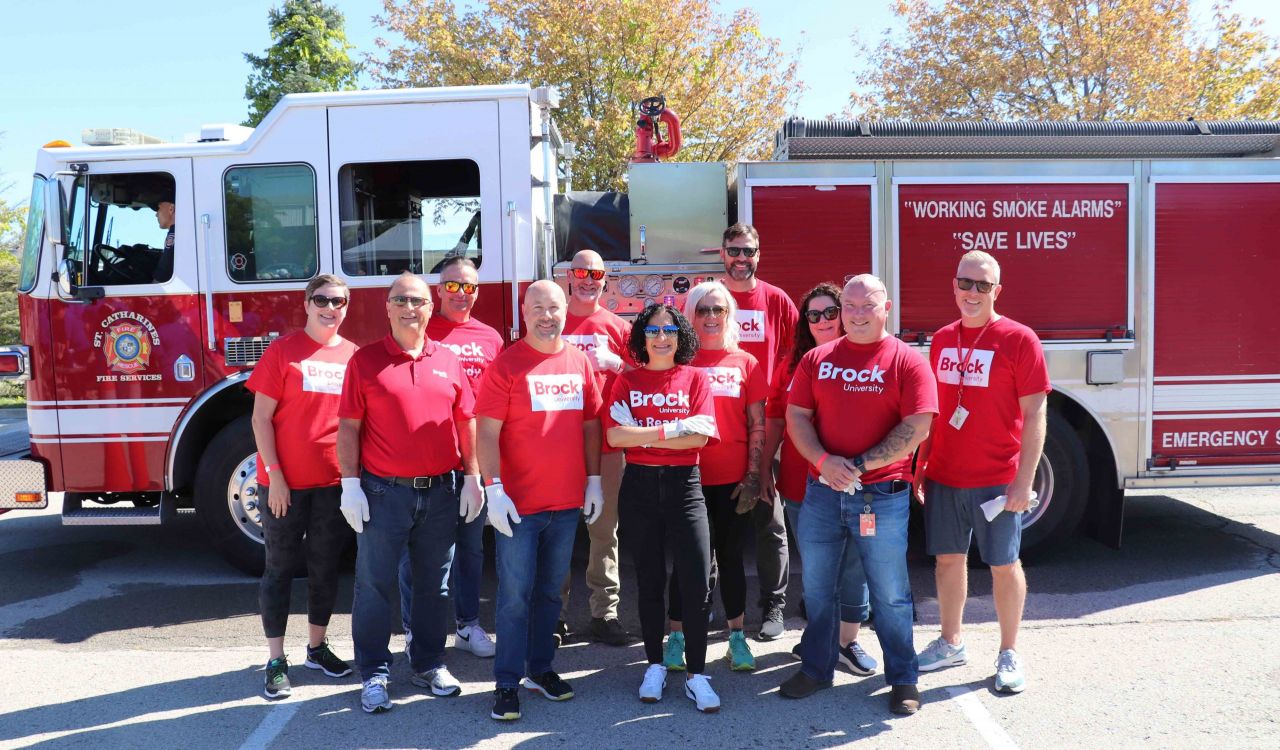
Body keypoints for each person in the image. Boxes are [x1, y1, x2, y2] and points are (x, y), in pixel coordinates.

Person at [779, 274, 937, 717]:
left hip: (880, 496)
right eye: (849, 305)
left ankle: (903, 678)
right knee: (818, 587)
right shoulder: (817, 359)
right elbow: (797, 417)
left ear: (887, 307)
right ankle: (816, 668)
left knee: (890, 593)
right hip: (823, 494)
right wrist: (824, 462)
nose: (857, 313)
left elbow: (917, 427)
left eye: (868, 305)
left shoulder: (907, 361)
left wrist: (859, 466)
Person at [336, 272, 485, 714]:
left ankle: (428, 664)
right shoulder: (364, 361)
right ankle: (375, 674)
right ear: (387, 307)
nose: (409, 308)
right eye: (400, 299)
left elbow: (466, 420)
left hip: (441, 490)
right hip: (384, 492)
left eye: (417, 300)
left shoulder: (448, 358)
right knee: (374, 584)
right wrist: (349, 483)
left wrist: (473, 476)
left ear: (428, 307)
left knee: (433, 586)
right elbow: (348, 426)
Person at [913, 250, 1050, 695]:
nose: (972, 293)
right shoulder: (941, 339)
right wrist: (922, 464)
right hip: (946, 476)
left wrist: (1024, 480)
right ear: (953, 286)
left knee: (1004, 565)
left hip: (996, 478)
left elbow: (1035, 414)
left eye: (982, 285)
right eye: (965, 283)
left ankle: (1008, 651)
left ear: (997, 291)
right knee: (947, 560)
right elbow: (935, 412)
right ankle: (951, 641)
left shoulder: (1019, 339)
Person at [476, 280, 604, 721]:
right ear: (524, 312)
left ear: (566, 310)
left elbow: (591, 425)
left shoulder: (579, 362)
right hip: (519, 505)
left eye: (554, 307)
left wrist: (593, 480)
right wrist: (492, 488)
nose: (547, 315)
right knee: (514, 596)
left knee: (551, 593)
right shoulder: (506, 365)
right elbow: (487, 431)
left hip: (566, 505)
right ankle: (506, 682)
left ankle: (540, 669)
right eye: (537, 308)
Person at [604, 304, 721, 713]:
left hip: (684, 487)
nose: (661, 337)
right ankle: (653, 664)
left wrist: (645, 434)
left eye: (669, 330)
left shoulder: (695, 378)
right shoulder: (626, 379)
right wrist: (674, 429)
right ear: (642, 337)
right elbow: (616, 438)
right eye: (653, 331)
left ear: (680, 336)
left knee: (695, 581)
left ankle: (696, 674)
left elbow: (700, 440)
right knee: (650, 580)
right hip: (638, 487)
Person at [248, 274, 357, 700]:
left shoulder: (353, 356)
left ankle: (316, 647)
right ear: (307, 303)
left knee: (325, 568)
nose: (331, 308)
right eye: (323, 300)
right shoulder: (283, 351)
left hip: (332, 483)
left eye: (339, 301)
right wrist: (275, 475)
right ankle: (276, 659)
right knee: (279, 569)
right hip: (283, 486)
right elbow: (260, 419)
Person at [766, 282, 878, 677]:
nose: (823, 321)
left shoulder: (868, 358)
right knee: (818, 567)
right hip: (801, 486)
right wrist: (763, 468)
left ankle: (847, 643)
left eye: (831, 312)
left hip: (861, 484)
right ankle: (820, 637)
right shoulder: (792, 364)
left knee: (854, 565)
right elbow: (777, 419)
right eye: (813, 315)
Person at [398, 257, 504, 660]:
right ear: (438, 291)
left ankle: (467, 625)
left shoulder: (491, 337)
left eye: (470, 287)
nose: (463, 294)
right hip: (431, 460)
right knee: (421, 552)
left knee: (471, 548)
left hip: (475, 462)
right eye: (454, 286)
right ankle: (413, 630)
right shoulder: (422, 331)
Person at [664, 282, 769, 673]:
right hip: (685, 478)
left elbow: (757, 423)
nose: (710, 317)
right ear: (690, 314)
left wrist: (755, 473)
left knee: (730, 558)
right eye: (703, 309)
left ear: (729, 315)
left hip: (732, 480)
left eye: (718, 310)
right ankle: (676, 638)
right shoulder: (677, 362)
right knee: (688, 561)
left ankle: (737, 638)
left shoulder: (745, 363)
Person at [718, 223, 798, 640]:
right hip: (716, 426)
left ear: (758, 254)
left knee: (769, 519)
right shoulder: (709, 300)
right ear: (722, 253)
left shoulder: (777, 301)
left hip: (766, 425)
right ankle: (711, 603)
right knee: (713, 521)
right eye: (735, 250)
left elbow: (797, 354)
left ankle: (774, 606)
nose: (741, 258)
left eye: (749, 251)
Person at [558, 249, 634, 647]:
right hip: (556, 446)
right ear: (570, 276)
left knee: (604, 532)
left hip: (605, 445)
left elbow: (642, 378)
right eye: (582, 272)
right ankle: (554, 615)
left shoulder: (618, 327)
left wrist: (617, 364)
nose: (589, 279)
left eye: (597, 273)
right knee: (557, 533)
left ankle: (604, 614)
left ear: (606, 280)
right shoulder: (553, 320)